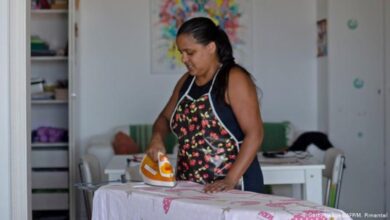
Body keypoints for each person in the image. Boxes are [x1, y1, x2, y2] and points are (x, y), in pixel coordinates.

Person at [146, 17, 264, 194]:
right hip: (191, 188)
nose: (184, 59)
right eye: (181, 53)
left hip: (235, 187)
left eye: (190, 52)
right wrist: (157, 137)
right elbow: (164, 118)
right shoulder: (186, 82)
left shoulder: (234, 78)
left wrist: (230, 179)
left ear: (211, 47)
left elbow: (255, 133)